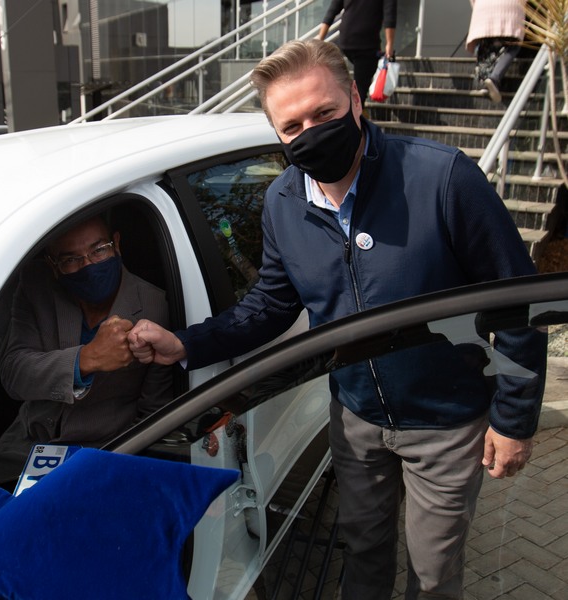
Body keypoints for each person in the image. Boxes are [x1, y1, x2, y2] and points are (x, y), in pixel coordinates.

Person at [127, 39, 547, 599]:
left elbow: (520, 301)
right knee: (363, 552)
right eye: (292, 125)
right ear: (277, 133)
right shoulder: (282, 202)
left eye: (324, 113)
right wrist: (185, 345)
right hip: (354, 418)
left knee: (433, 571)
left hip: (445, 421)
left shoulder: (441, 179)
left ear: (355, 99)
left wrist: (515, 419)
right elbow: (271, 306)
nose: (311, 132)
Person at [0, 215, 173, 487]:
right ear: (53, 265)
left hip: (105, 451)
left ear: (116, 244)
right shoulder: (36, 286)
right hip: (26, 445)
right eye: (71, 259)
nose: (89, 265)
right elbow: (13, 372)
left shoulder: (155, 306)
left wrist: (117, 463)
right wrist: (86, 359)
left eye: (98, 250)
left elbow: (155, 412)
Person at [317, 0, 397, 106]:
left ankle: (354, 109)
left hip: (346, 40)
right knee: (361, 87)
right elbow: (389, 15)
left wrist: (320, 39)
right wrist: (389, 45)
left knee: (357, 81)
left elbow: (332, 10)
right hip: (366, 43)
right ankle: (355, 115)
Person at [466, 0, 526, 104]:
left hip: (483, 7)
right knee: (513, 45)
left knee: (487, 44)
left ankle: (485, 82)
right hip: (509, 7)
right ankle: (494, 78)